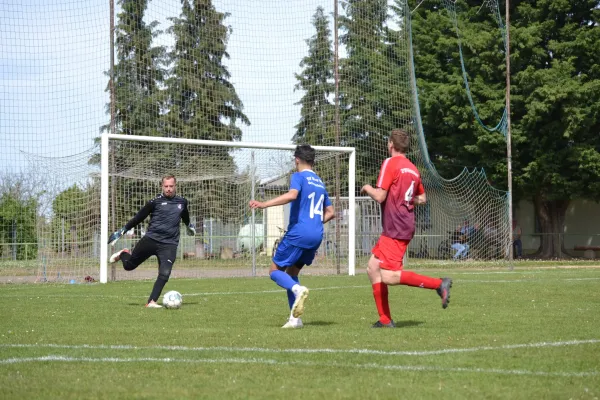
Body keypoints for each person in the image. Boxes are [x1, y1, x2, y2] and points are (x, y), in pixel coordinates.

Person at [361, 128, 452, 328]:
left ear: (391, 144)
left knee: (389, 276)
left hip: (395, 227)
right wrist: (404, 197)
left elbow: (380, 196)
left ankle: (439, 284)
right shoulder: (413, 168)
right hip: (404, 224)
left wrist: (367, 187)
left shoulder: (390, 163)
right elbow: (422, 198)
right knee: (373, 268)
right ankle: (385, 320)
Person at [249, 144, 334, 329]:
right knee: (292, 272)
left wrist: (264, 204)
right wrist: (316, 224)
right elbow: (331, 212)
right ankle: (295, 320)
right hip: (316, 234)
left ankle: (298, 290)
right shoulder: (320, 182)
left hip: (298, 233)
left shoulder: (298, 176)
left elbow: (292, 195)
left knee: (274, 271)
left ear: (297, 159)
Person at [107, 175, 196, 308]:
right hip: (151, 240)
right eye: (166, 186)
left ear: (175, 186)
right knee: (129, 266)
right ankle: (123, 254)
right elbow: (138, 218)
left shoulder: (182, 202)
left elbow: (185, 217)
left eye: (171, 186)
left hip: (169, 244)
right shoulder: (154, 202)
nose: (169, 189)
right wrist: (122, 231)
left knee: (165, 273)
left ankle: (151, 302)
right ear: (162, 186)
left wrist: (190, 226)